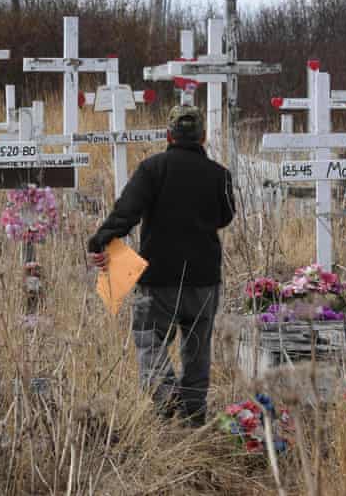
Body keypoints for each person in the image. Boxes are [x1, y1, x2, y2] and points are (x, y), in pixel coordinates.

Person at [87, 105, 235, 426]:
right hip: (204, 279)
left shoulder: (152, 169)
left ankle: (164, 393)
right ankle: (194, 417)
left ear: (169, 135)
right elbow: (226, 216)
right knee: (197, 350)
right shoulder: (219, 175)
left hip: (158, 277)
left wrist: (100, 241)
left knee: (147, 338)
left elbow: (127, 212)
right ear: (203, 137)